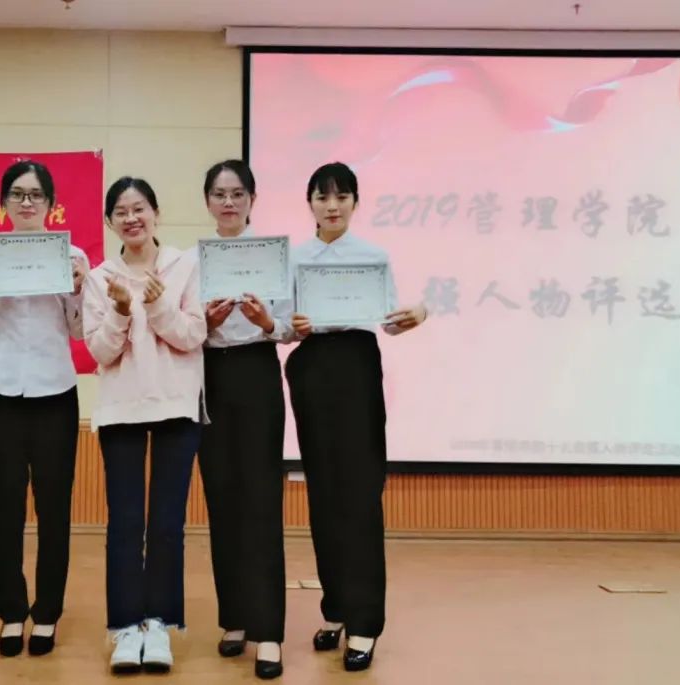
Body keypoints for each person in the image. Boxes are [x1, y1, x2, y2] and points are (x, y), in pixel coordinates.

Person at [286, 162, 427, 672]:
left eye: (341, 197)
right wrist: (292, 325)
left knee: (361, 493)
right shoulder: (295, 258)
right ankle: (337, 608)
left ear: (355, 202)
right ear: (309, 203)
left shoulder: (373, 256)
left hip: (357, 366)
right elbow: (281, 325)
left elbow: (387, 321)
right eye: (322, 197)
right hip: (311, 368)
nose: (332, 206)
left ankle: (365, 622)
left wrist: (416, 315)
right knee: (323, 492)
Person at [0, 160, 89, 658]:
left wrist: (77, 290)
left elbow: (79, 331)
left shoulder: (71, 255)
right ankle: (12, 612)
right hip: (2, 392)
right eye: (17, 194)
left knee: (54, 508)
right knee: (6, 507)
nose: (27, 202)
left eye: (36, 194)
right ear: (3, 204)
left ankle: (48, 612)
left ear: (51, 204)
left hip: (56, 391)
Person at [81, 177, 206, 674]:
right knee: (126, 523)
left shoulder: (185, 266)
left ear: (156, 213)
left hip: (176, 404)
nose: (131, 218)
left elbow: (192, 335)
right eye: (121, 211)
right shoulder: (100, 278)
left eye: (139, 208)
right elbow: (100, 351)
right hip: (121, 408)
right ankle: (125, 626)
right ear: (110, 222)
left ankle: (160, 624)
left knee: (168, 523)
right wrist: (120, 310)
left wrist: (156, 305)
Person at [198, 160, 289, 680]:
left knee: (261, 499)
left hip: (257, 370)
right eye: (219, 194)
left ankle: (269, 630)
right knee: (222, 496)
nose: (228, 202)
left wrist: (267, 321)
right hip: (211, 375)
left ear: (252, 199)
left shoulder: (273, 254)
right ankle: (234, 617)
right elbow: (183, 326)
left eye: (237, 193)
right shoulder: (194, 259)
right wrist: (204, 323)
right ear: (207, 202)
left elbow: (293, 325)